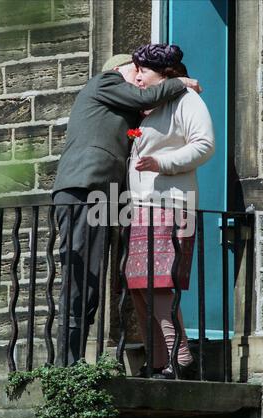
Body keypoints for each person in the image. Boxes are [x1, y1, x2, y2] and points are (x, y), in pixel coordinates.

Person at [52, 52, 201, 366]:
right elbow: (146, 95)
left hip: (106, 198)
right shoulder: (104, 81)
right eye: (136, 70)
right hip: (84, 189)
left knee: (94, 278)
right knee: (79, 275)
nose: (139, 76)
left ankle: (75, 361)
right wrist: (180, 81)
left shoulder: (126, 109)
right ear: (118, 70)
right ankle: (67, 364)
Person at [125, 44, 215, 379]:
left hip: (170, 204)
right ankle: (159, 360)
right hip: (140, 207)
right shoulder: (148, 108)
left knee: (157, 282)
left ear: (165, 74)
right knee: (138, 284)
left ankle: (180, 355)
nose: (137, 77)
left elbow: (204, 145)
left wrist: (162, 162)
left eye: (142, 71)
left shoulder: (186, 101)